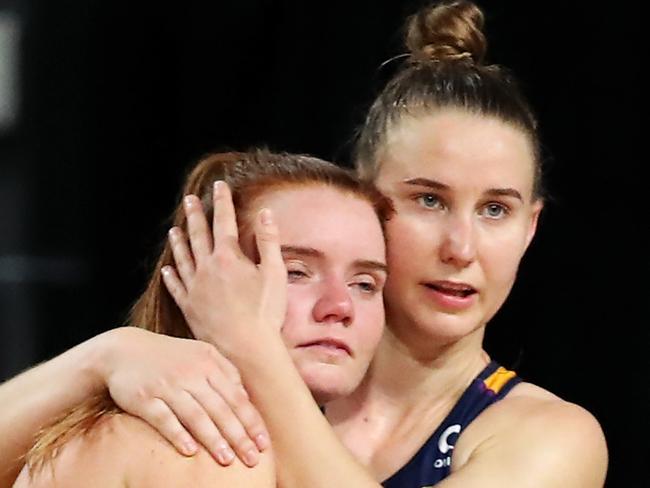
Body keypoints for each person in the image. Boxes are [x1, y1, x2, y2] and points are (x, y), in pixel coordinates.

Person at [0, 1, 608, 487]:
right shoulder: (219, 416)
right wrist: (104, 356)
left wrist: (251, 347)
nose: (460, 247)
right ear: (363, 201)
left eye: (495, 209)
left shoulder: (549, 436)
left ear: (530, 227)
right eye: (428, 199)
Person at [10, 149, 392, 487]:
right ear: (201, 275)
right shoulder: (205, 450)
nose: (340, 307)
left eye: (365, 284)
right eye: (295, 271)